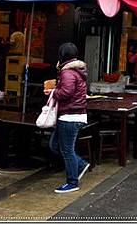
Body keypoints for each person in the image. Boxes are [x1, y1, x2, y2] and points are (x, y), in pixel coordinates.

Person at [45, 43, 90, 194]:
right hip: (73, 114)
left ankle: (72, 182)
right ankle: (81, 165)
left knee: (67, 150)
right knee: (54, 145)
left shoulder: (68, 73)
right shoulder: (76, 71)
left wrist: (52, 92)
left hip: (70, 116)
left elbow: (66, 93)